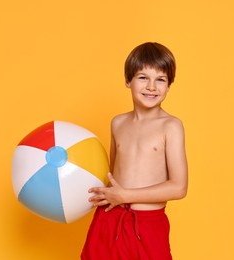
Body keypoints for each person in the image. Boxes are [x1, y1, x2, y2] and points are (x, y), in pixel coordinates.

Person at [81, 42, 188, 260]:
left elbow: (179, 187)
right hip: (109, 219)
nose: (151, 86)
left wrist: (126, 196)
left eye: (160, 79)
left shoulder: (171, 126)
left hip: (147, 226)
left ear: (169, 86)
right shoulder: (118, 123)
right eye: (143, 77)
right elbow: (110, 176)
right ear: (128, 81)